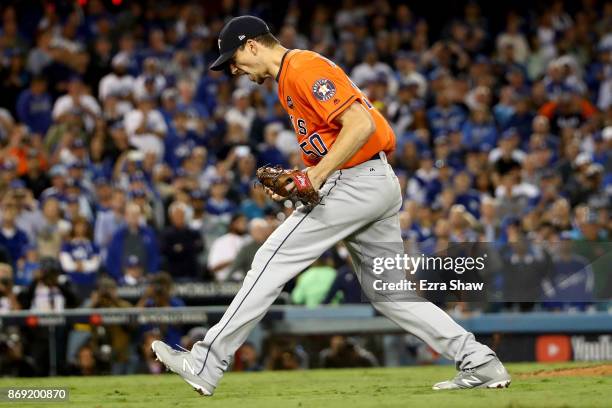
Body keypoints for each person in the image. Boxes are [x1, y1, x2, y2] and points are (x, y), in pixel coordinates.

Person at [149, 15, 510, 395]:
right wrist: (299, 178)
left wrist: (315, 177)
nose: (234, 69)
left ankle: (206, 362)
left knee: (270, 259)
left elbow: (360, 125)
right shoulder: (288, 79)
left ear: (252, 45)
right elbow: (335, 140)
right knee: (388, 292)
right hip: (371, 181)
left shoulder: (303, 66)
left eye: (234, 59)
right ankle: (480, 362)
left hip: (356, 182)